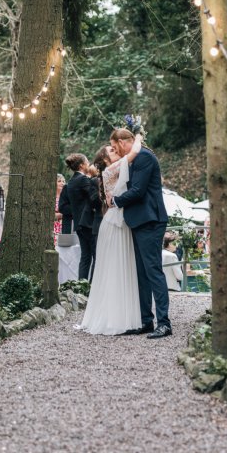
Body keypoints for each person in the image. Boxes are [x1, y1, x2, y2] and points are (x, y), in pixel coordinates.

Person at [110, 128, 171, 339]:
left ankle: (164, 323)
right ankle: (146, 321)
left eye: (114, 146)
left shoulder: (144, 157)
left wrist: (115, 201)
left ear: (122, 141)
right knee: (141, 274)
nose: (114, 150)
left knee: (153, 271)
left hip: (150, 220)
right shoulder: (134, 158)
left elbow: (138, 190)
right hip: (138, 222)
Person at [81, 136, 143, 335]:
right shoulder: (110, 170)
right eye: (112, 150)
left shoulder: (115, 169)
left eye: (116, 148)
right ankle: (114, 316)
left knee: (122, 267)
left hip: (120, 222)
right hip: (115, 224)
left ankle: (123, 314)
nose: (116, 150)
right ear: (106, 160)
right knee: (115, 268)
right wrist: (138, 135)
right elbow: (134, 152)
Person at [65, 153, 94, 280]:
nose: (89, 164)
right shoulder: (83, 180)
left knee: (85, 256)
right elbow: (93, 197)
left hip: (78, 224)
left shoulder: (71, 182)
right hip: (88, 223)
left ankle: (81, 285)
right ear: (82, 165)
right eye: (87, 162)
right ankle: (93, 286)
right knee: (95, 256)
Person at [54, 174, 66, 245]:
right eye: (59, 181)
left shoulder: (66, 197)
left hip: (64, 225)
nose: (62, 183)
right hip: (54, 227)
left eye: (64, 181)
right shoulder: (51, 197)